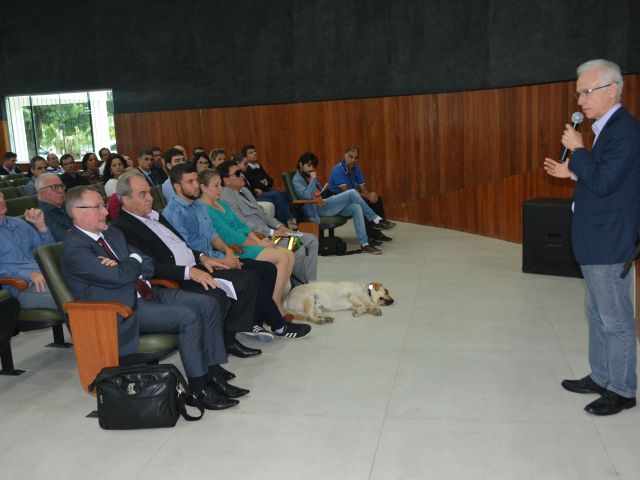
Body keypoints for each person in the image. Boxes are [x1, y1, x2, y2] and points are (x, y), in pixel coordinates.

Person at [61, 186, 244, 410]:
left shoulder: (111, 234)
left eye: (104, 205)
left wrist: (129, 262)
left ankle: (212, 373)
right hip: (121, 309)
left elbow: (147, 262)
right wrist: (129, 264)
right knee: (188, 316)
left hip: (147, 292)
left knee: (208, 302)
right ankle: (198, 389)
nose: (106, 212)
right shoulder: (75, 248)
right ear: (78, 212)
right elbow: (120, 276)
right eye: (98, 207)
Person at [543, 59, 640, 416]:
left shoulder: (625, 131)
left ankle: (622, 389)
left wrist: (579, 151)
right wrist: (573, 172)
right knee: (597, 314)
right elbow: (602, 180)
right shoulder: (607, 129)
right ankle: (601, 377)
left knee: (615, 320)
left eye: (587, 91)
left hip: (610, 241)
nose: (580, 100)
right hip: (595, 238)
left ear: (611, 90)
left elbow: (603, 182)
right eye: (578, 92)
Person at [112, 170, 267, 355]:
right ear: (125, 199)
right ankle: (216, 347)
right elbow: (150, 267)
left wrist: (203, 257)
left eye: (150, 192)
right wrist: (188, 271)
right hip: (175, 278)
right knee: (217, 294)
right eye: (142, 194)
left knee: (248, 278)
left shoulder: (155, 216)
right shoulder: (122, 228)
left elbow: (181, 246)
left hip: (196, 265)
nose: (150, 198)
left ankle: (227, 338)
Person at [162, 163, 310, 339]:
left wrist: (227, 253)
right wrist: (223, 260)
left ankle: (255, 320)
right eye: (190, 181)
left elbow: (213, 235)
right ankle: (279, 325)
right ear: (177, 186)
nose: (196, 185)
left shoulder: (197, 205)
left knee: (267, 269)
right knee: (253, 275)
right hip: (200, 266)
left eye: (196, 180)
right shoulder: (173, 213)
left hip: (219, 255)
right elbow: (186, 250)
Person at [199, 168, 295, 307]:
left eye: (221, 184)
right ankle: (275, 304)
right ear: (203, 187)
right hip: (236, 248)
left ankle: (275, 299)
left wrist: (258, 240)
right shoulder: (205, 209)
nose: (221, 189)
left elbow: (241, 226)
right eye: (216, 185)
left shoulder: (221, 203)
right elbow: (229, 236)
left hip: (248, 242)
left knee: (289, 254)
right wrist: (257, 244)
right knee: (282, 257)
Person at [219, 159, 318, 286]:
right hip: (260, 237)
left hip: (272, 232)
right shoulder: (226, 198)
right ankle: (300, 287)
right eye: (237, 173)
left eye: (241, 172)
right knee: (297, 247)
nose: (242, 175)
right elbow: (243, 223)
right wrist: (272, 232)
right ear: (226, 180)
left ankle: (310, 284)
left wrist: (280, 225)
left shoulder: (245, 191)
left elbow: (263, 214)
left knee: (311, 239)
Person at [293, 152, 395, 255]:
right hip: (316, 209)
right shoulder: (297, 180)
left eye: (313, 166)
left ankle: (364, 244)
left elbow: (317, 193)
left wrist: (323, 190)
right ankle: (376, 219)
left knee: (356, 207)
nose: (311, 169)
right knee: (352, 192)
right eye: (308, 165)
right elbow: (306, 196)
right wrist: (314, 179)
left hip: (324, 203)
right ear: (301, 164)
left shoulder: (309, 176)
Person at [0, 192, 57, 310]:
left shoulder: (18, 223)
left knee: (88, 287)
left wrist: (41, 227)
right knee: (73, 297)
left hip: (49, 274)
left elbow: (46, 253)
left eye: (0, 196)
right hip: (23, 288)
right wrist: (28, 274)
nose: (0, 201)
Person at [328, 146, 393, 245]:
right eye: (350, 157)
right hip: (339, 200)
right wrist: (366, 196)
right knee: (362, 203)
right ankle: (369, 236)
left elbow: (363, 188)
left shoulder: (356, 168)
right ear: (344, 156)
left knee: (377, 199)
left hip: (353, 197)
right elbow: (347, 192)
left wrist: (370, 195)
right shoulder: (338, 169)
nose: (353, 160)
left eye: (356, 158)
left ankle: (377, 229)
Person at [240, 144, 296, 226]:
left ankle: (289, 221)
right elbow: (254, 184)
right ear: (245, 157)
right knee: (277, 194)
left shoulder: (258, 166)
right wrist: (264, 183)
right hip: (258, 194)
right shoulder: (246, 169)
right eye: (251, 153)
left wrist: (263, 183)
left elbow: (270, 181)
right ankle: (289, 222)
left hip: (265, 191)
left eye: (255, 151)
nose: (254, 153)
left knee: (285, 195)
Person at [36, 173, 74, 241]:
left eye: (61, 186)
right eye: (54, 187)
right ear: (42, 193)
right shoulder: (41, 216)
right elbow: (66, 238)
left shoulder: (69, 205)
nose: (61, 190)